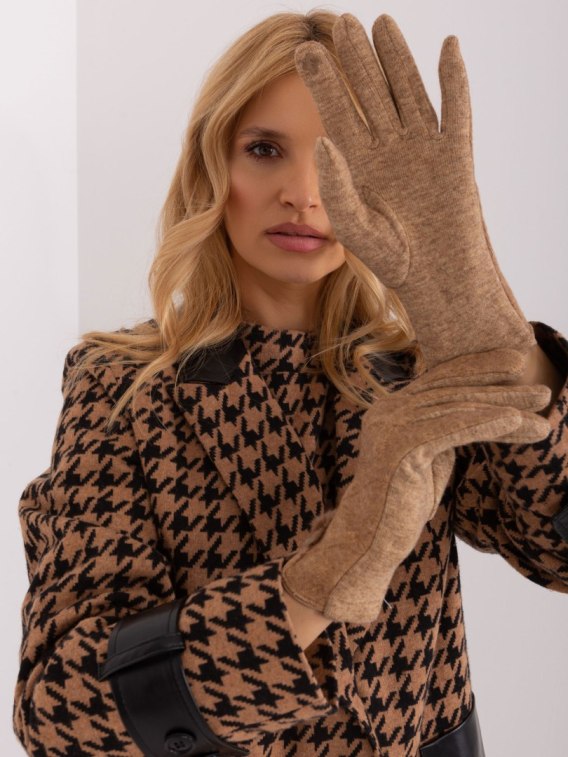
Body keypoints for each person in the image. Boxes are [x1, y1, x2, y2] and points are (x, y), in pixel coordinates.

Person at [13, 9, 568, 757]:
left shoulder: (420, 377)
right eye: (265, 149)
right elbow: (59, 713)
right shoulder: (122, 389)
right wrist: (330, 571)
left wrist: (485, 327)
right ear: (214, 166)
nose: (305, 193)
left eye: (337, 156)